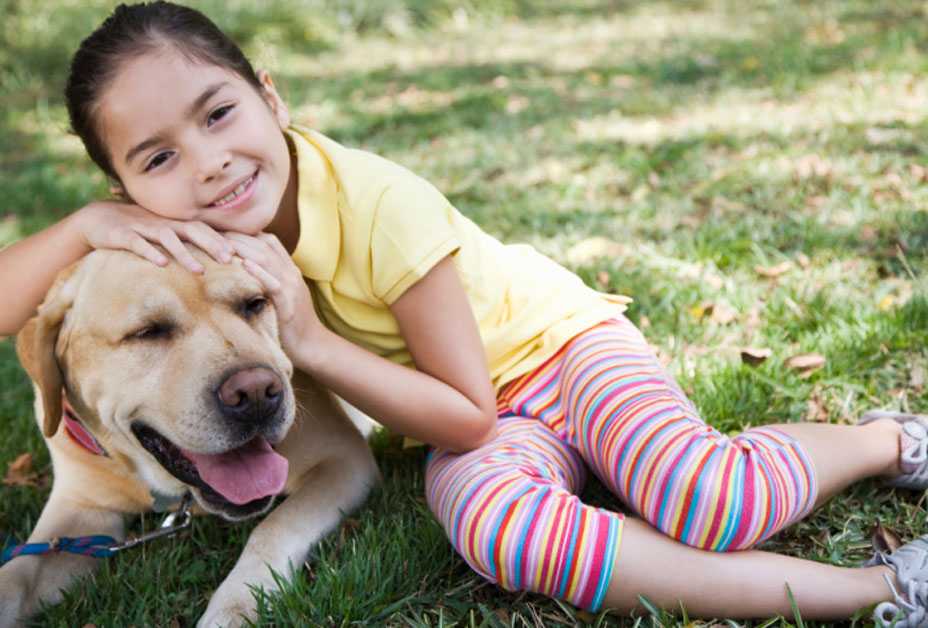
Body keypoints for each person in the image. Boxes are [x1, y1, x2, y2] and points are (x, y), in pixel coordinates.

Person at [1, 2, 925, 625]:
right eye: (157, 158)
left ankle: (888, 440)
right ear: (121, 189)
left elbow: (469, 410)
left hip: (554, 354)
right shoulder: (155, 250)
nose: (206, 164)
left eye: (218, 115)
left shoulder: (380, 205)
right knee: (499, 537)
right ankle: (878, 587)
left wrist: (309, 338)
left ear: (270, 97)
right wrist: (81, 227)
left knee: (704, 494)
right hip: (452, 419)